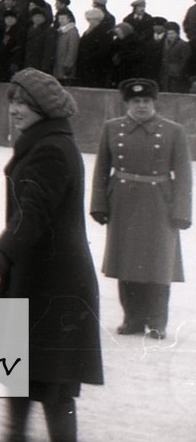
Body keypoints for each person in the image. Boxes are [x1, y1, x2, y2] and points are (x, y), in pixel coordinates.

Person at [0, 68, 102, 442]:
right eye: (12, 102)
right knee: (27, 370)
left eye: (24, 104)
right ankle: (14, 436)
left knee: (53, 379)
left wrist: (2, 252)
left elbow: (34, 210)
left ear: (43, 109)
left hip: (53, 280)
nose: (15, 110)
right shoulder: (44, 142)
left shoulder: (51, 149)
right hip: (37, 273)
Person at [90, 79, 192, 340]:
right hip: (123, 202)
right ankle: (133, 318)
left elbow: (183, 175)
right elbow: (101, 169)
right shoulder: (112, 129)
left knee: (159, 264)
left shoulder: (173, 131)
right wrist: (99, 205)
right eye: (136, 101)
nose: (142, 106)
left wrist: (182, 211)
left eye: (146, 101)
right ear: (127, 103)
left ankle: (157, 321)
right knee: (126, 261)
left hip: (160, 203)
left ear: (154, 102)